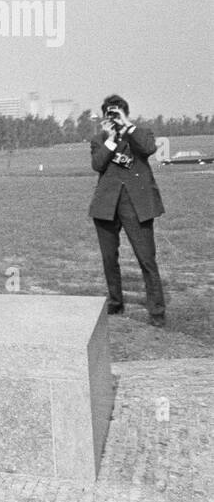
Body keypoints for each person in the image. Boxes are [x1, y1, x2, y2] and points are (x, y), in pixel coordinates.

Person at [89, 94, 166, 327]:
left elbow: (148, 148)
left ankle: (157, 312)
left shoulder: (141, 134)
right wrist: (111, 139)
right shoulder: (99, 139)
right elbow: (98, 164)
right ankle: (115, 302)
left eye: (117, 113)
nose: (113, 117)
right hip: (107, 206)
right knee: (108, 259)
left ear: (125, 113)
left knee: (146, 259)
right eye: (109, 113)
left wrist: (127, 126)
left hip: (137, 205)